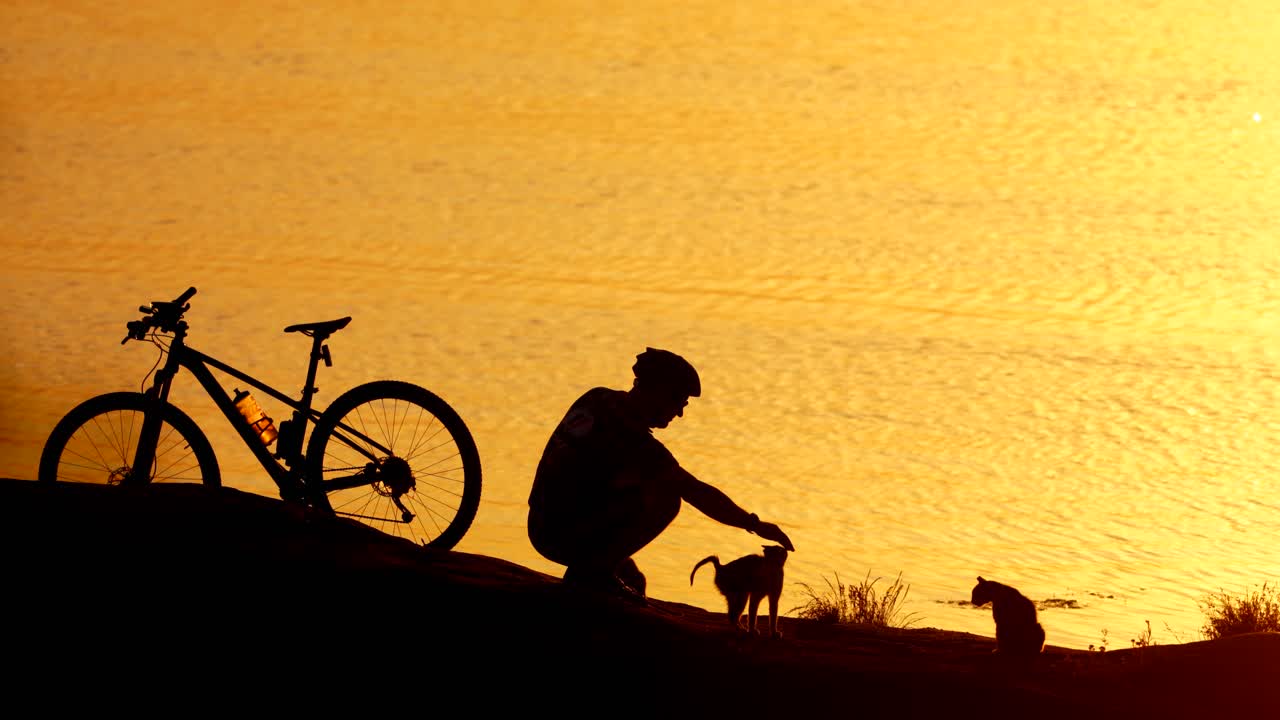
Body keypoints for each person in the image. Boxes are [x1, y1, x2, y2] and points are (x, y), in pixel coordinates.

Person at [527, 347, 795, 600]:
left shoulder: (597, 398)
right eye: (679, 401)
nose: (679, 413)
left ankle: (596, 570)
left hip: (540, 522)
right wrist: (754, 524)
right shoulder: (638, 443)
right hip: (561, 534)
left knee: (632, 577)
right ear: (657, 392)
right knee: (667, 498)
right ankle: (591, 574)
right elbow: (697, 492)